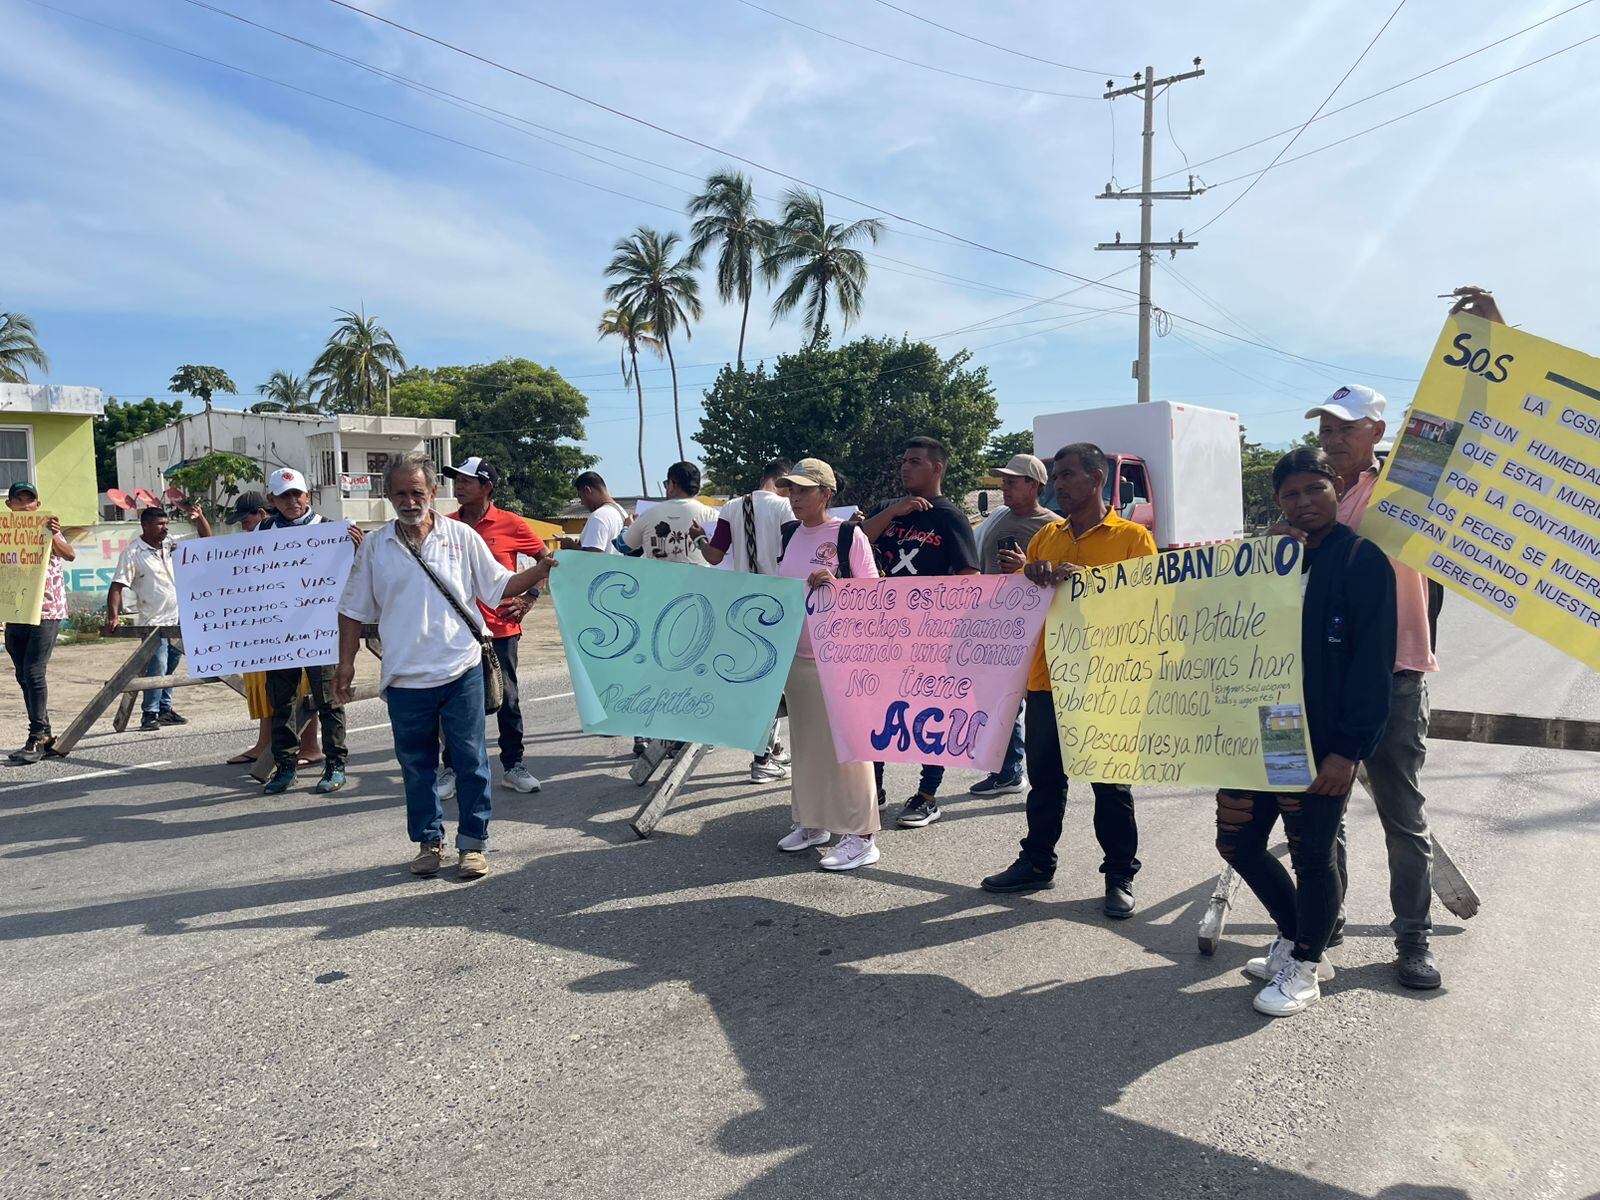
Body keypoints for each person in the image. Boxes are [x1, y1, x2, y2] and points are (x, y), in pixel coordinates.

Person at [1215, 447, 1396, 1017]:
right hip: (1259, 726)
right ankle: (1301, 940)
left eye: (1315, 489)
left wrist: (1347, 752)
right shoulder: (1267, 559)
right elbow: (1215, 619)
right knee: (1237, 841)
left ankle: (1305, 965)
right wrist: (1261, 561)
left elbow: (1372, 663)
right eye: (1291, 493)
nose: (1304, 502)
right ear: (1277, 501)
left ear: (1337, 489)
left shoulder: (1362, 559)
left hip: (1320, 737)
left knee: (1311, 853)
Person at [333, 452, 555, 880]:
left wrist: (540, 570)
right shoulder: (377, 547)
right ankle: (428, 843)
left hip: (462, 669)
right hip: (403, 678)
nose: (409, 500)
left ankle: (472, 845)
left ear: (433, 492)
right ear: (387, 495)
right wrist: (346, 664)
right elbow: (352, 610)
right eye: (400, 493)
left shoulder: (460, 537)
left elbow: (499, 586)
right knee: (416, 766)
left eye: (417, 492)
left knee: (471, 760)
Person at [980, 443, 1156, 918]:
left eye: (1068, 476)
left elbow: (1145, 608)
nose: (1058, 484)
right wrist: (1026, 576)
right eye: (1056, 476)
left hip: (1104, 681)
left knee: (1110, 786)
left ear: (1097, 480)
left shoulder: (1132, 539)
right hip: (1046, 679)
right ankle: (1037, 862)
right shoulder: (1046, 538)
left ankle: (1120, 875)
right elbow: (1025, 606)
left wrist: (1089, 581)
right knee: (1045, 782)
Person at [860, 436, 980, 828]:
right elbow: (855, 541)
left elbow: (969, 576)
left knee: (932, 713)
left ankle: (927, 795)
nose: (905, 468)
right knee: (876, 711)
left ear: (937, 468)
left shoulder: (951, 517)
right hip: (882, 632)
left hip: (931, 636)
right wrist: (895, 511)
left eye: (914, 461)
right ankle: (872, 788)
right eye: (903, 461)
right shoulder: (888, 511)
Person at [772, 458, 882, 871]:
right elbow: (781, 587)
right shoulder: (788, 535)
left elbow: (872, 594)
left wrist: (837, 586)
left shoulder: (849, 535)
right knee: (806, 745)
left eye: (804, 490)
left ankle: (862, 835)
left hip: (841, 660)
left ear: (826, 494)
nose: (795, 497)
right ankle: (813, 822)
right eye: (791, 489)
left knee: (850, 748)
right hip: (797, 658)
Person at [435, 456, 549, 801]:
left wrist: (529, 598)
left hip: (501, 630)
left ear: (487, 487)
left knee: (508, 700)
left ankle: (513, 766)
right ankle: (452, 768)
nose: (459, 486)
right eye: (456, 481)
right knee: (454, 702)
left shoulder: (512, 524)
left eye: (466, 481)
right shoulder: (446, 525)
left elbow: (548, 561)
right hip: (458, 631)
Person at [257, 468, 358, 797]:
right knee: (281, 701)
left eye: (297, 494)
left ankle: (335, 764)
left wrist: (359, 548)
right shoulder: (263, 530)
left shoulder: (331, 529)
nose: (292, 501)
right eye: (284, 496)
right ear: (272, 500)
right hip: (279, 633)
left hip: (321, 632)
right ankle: (285, 766)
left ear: (308, 495)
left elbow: (359, 571)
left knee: (329, 699)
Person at [968, 453, 1055, 798]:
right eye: (1003, 481)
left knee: (1030, 705)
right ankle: (1007, 771)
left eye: (1012, 481)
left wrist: (1027, 564)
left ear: (1034, 485)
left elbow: (1064, 573)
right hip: (993, 624)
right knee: (997, 701)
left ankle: (1031, 777)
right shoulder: (998, 518)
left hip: (1030, 630)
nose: (1005, 487)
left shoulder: (1052, 526)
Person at [703, 459, 795, 782]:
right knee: (772, 684)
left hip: (743, 603)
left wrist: (700, 541)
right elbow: (792, 553)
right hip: (779, 602)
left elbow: (714, 556)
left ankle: (773, 748)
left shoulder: (731, 506)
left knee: (759, 679)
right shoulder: (786, 508)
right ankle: (762, 758)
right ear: (783, 480)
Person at [216, 491, 321, 768]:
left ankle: (310, 746)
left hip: (300, 627)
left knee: (302, 687)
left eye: (245, 521)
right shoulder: (252, 546)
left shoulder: (295, 537)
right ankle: (265, 743)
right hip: (262, 627)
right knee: (264, 687)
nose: (243, 527)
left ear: (262, 515)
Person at [107, 501, 211, 730]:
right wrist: (113, 616)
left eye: (166, 524)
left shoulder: (171, 545)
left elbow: (206, 538)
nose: (165, 528)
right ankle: (150, 714)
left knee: (171, 665)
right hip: (153, 622)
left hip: (178, 618)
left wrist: (199, 517)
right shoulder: (133, 552)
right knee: (158, 667)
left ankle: (165, 709)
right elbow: (117, 586)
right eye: (160, 524)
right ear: (145, 526)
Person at [4, 481, 75, 762]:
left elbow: (69, 555)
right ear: (9, 506)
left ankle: (36, 735)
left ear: (37, 504)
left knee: (34, 672)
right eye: (18, 500)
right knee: (22, 674)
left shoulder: (49, 529)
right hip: (17, 611)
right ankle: (45, 733)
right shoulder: (6, 534)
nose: (24, 505)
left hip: (47, 610)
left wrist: (53, 535)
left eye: (29, 500)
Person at [624, 460, 719, 564]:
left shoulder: (648, 514)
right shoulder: (713, 515)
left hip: (658, 579)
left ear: (673, 484)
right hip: (700, 579)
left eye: (666, 484)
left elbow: (625, 547)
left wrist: (627, 527)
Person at [574, 471, 627, 553]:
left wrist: (570, 546)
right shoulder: (622, 512)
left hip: (605, 566)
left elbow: (592, 557)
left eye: (581, 497)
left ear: (587, 490)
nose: (582, 503)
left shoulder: (599, 516)